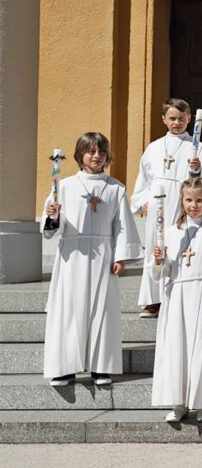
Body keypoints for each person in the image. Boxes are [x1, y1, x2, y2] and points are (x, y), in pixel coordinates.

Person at [41, 133, 141, 387]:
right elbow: (52, 228)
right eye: (91, 151)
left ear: (107, 156)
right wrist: (53, 215)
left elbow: (122, 226)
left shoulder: (115, 188)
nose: (96, 156)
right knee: (68, 310)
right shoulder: (63, 186)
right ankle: (64, 367)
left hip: (103, 255)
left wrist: (121, 257)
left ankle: (100, 366)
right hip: (72, 255)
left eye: (101, 152)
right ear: (79, 156)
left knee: (102, 311)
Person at [151, 177, 202, 423]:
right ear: (182, 200)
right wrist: (159, 259)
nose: (194, 205)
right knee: (177, 349)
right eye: (189, 199)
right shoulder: (171, 232)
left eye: (199, 200)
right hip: (177, 296)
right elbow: (162, 272)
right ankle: (178, 402)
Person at [131, 98, 202, 318]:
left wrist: (197, 168)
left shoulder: (196, 147)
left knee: (179, 246)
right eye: (172, 119)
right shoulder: (154, 147)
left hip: (181, 202)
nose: (177, 123)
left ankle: (176, 293)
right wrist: (142, 201)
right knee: (154, 248)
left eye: (181, 119)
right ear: (164, 120)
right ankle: (152, 300)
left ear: (189, 119)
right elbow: (144, 178)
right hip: (158, 203)